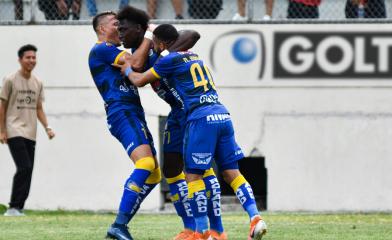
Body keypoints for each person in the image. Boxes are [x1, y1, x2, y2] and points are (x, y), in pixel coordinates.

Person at [118, 24, 267, 240]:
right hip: (221, 113)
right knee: (231, 172)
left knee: (194, 175)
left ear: (160, 44)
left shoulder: (167, 60)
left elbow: (139, 79)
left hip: (198, 117)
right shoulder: (193, 55)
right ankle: (254, 217)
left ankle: (202, 232)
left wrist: (129, 69)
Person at [116, 6, 226, 240]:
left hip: (194, 112)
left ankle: (214, 229)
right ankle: (189, 229)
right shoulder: (136, 51)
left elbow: (193, 34)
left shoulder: (158, 43)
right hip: (177, 114)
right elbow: (135, 64)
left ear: (139, 29)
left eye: (124, 30)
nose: (120, 35)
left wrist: (162, 51)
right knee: (171, 169)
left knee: (199, 168)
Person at [88, 11, 161, 240]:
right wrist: (149, 33)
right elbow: (136, 64)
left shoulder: (116, 52)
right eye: (115, 24)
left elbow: (135, 71)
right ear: (102, 29)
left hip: (133, 112)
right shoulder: (102, 49)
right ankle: (119, 224)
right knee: (146, 162)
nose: (119, 28)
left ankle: (121, 224)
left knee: (154, 174)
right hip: (122, 111)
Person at [0, 44, 55, 217]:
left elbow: (38, 108)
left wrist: (47, 128)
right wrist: (2, 131)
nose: (31, 60)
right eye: (28, 57)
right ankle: (13, 207)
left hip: (31, 132)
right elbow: (2, 106)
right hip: (14, 129)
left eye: (34, 57)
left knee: (28, 169)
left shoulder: (37, 82)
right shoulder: (10, 80)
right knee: (24, 166)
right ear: (20, 59)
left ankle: (19, 208)